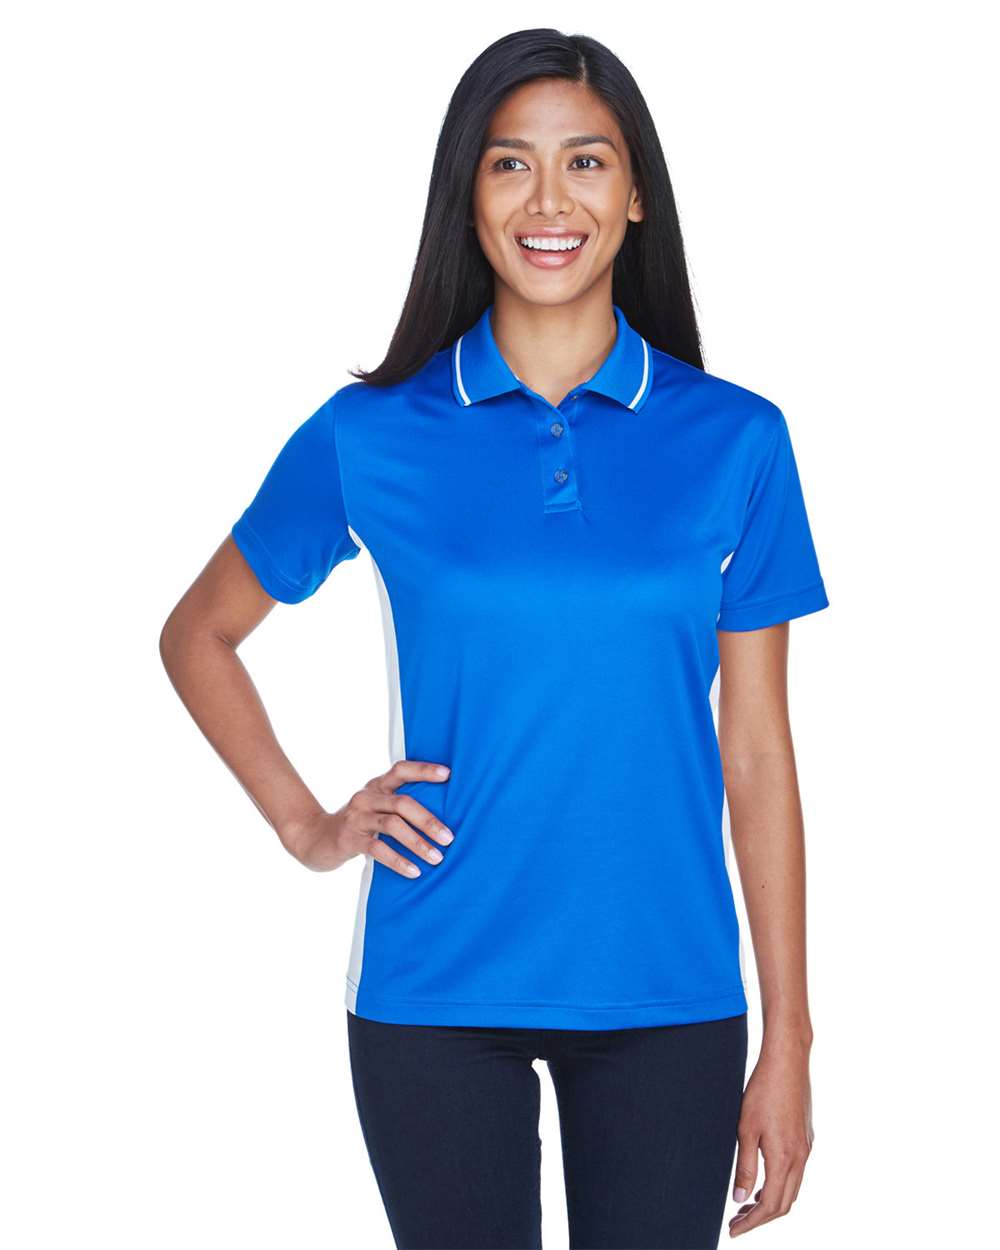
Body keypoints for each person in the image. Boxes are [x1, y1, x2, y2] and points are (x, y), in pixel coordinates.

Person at [159, 28, 829, 1250]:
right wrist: (311, 825)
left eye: (586, 162)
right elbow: (200, 633)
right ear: (466, 197)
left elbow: (758, 755)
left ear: (635, 195)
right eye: (510, 164)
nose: (549, 200)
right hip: (437, 984)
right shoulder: (373, 432)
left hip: (667, 985)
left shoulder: (738, 439)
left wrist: (790, 1035)